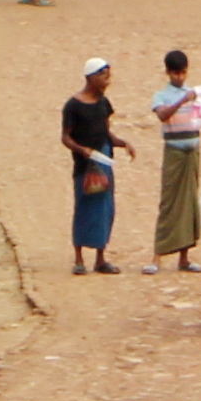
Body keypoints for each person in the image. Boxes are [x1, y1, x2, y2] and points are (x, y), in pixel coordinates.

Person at [64, 58, 133, 275]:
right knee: (83, 206)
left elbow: (105, 132)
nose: (107, 80)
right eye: (103, 76)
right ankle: (79, 258)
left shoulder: (103, 103)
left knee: (105, 209)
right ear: (91, 77)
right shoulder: (73, 106)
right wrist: (81, 150)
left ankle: (100, 258)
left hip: (103, 160)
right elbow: (65, 137)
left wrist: (122, 143)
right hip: (85, 165)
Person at [150, 49, 201, 276]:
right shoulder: (162, 96)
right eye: (175, 73)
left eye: (183, 73)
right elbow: (163, 115)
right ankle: (157, 256)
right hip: (174, 152)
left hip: (192, 151)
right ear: (168, 73)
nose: (180, 77)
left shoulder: (191, 93)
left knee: (189, 203)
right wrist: (182, 100)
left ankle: (185, 257)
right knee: (169, 201)